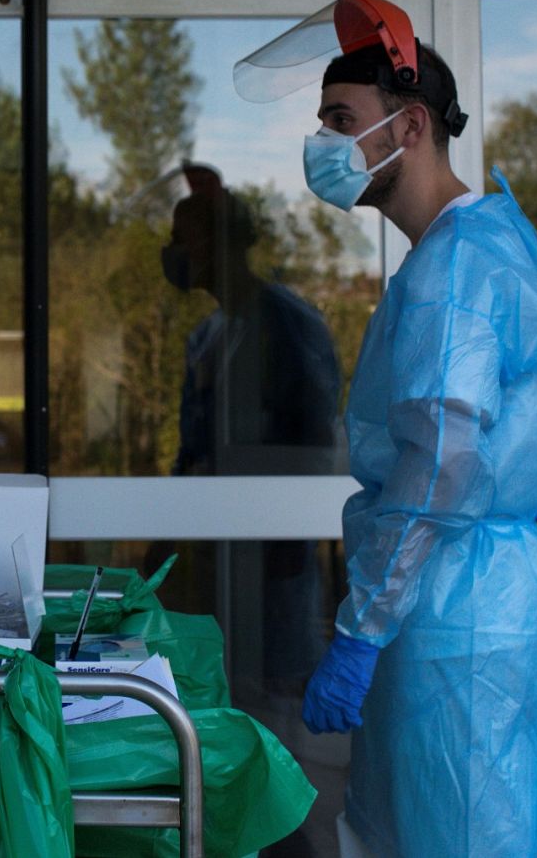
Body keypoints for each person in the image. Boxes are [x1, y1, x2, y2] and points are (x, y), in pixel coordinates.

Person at [235, 0, 537, 855]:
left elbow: (440, 461)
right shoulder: (474, 246)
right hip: (475, 591)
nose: (323, 144)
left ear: (409, 127)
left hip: (459, 611)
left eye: (342, 119)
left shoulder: (453, 270)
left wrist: (362, 627)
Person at [160, 165, 339, 691]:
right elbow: (193, 447)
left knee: (274, 701)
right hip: (217, 551)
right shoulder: (208, 336)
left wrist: (282, 538)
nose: (173, 251)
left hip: (272, 557)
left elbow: (311, 440)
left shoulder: (287, 325)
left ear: (218, 239)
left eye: (181, 237)